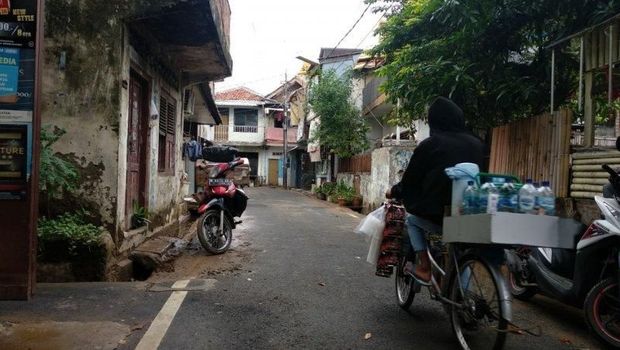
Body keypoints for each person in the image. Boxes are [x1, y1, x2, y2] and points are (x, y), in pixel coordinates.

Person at [387, 97, 484, 283]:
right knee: (464, 248)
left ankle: (424, 267)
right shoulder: (477, 144)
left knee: (413, 222)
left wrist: (394, 191)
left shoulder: (431, 145)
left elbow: (410, 181)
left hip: (439, 215)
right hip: (473, 214)